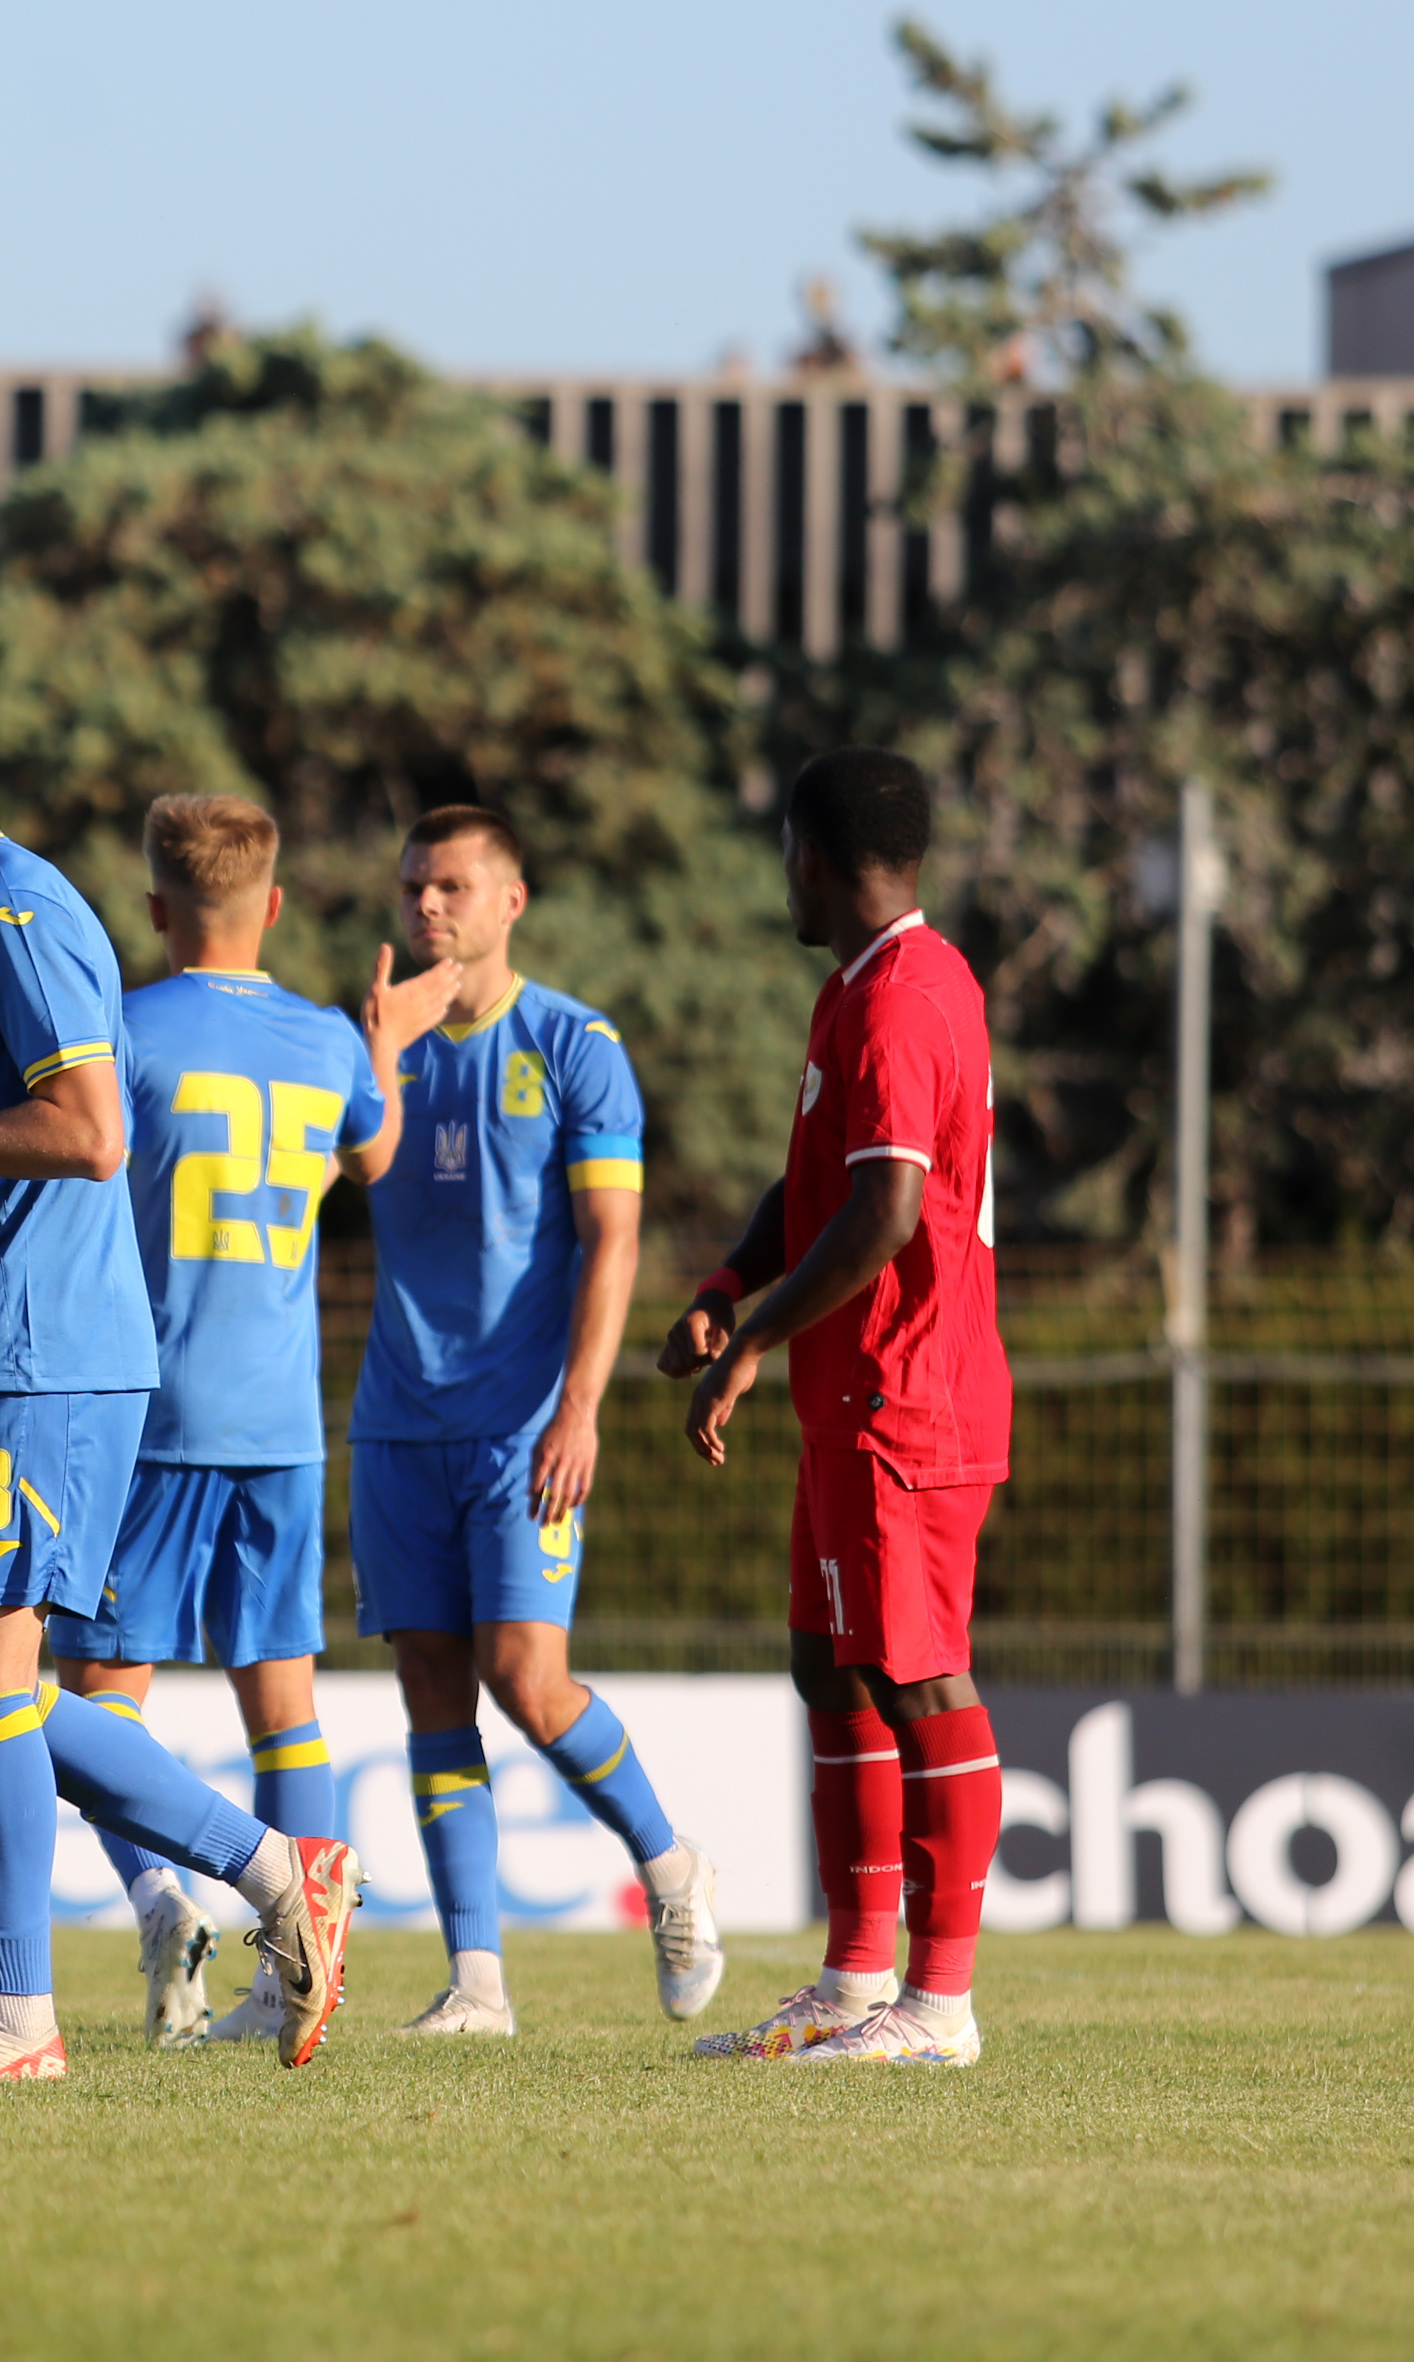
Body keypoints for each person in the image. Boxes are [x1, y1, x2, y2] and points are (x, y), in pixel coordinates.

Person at [0, 644, 362, 2082]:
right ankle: (277, 1870)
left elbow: (93, 1131)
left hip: (40, 1350)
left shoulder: (14, 909)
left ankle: (18, 2014)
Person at [347, 804, 724, 2038]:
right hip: (398, 1418)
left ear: (510, 900)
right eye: (414, 885)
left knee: (527, 1678)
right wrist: (378, 1052)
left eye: (451, 885)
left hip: (523, 1424)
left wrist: (581, 1408)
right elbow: (345, 1174)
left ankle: (669, 1862)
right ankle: (478, 1983)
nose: (427, 905)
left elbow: (614, 1238)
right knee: (431, 1689)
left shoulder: (575, 1043)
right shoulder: (375, 1042)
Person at [667, 748, 1010, 2068]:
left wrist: (752, 1339)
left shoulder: (905, 1000)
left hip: (906, 1393)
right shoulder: (854, 988)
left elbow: (886, 1211)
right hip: (848, 1396)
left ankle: (939, 2004)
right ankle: (853, 1978)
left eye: (784, 855)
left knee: (918, 1674)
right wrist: (731, 1282)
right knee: (833, 1664)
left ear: (809, 855)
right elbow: (816, 1184)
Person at [49, 796, 392, 2048]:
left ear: (154, 908)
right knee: (283, 1701)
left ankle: (161, 1899)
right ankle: (295, 1974)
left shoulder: (125, 1030)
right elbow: (373, 1154)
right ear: (276, 905)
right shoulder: (328, 1043)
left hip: (151, 1412)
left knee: (95, 1701)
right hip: (284, 1420)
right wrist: (384, 1049)